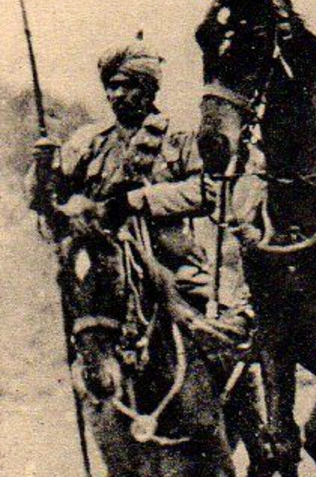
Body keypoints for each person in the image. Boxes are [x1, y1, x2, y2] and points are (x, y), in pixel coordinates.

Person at [31, 40, 248, 337]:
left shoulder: (178, 139)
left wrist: (138, 200)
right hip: (105, 257)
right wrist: (41, 171)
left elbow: (206, 191)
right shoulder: (89, 143)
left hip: (171, 259)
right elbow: (51, 200)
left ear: (147, 89)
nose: (116, 94)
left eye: (126, 86)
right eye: (111, 86)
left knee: (220, 329)